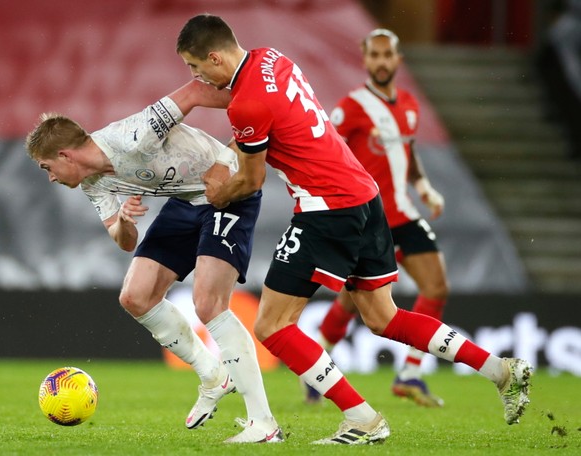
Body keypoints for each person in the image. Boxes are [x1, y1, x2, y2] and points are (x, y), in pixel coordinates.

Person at [176, 14, 532, 445]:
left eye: (196, 68)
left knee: (272, 326)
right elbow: (267, 119)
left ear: (214, 57)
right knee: (384, 318)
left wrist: (219, 193)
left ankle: (362, 419)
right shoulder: (273, 59)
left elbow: (250, 180)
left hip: (326, 208)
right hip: (365, 195)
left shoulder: (245, 104)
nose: (198, 78)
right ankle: (502, 371)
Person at [24, 79, 283, 444]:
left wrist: (257, 109)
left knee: (208, 303)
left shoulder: (133, 135)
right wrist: (126, 223)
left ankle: (264, 424)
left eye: (47, 166)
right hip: (184, 203)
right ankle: (213, 375)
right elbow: (124, 241)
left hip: (227, 193)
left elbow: (195, 91)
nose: (50, 177)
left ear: (66, 155)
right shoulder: (92, 182)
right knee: (136, 296)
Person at [303, 28, 448, 408]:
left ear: (398, 59)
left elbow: (408, 155)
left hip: (404, 213)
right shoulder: (351, 107)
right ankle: (319, 358)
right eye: (375, 55)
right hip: (367, 219)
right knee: (354, 304)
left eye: (388, 55)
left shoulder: (411, 106)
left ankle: (410, 373)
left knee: (436, 286)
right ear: (365, 60)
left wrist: (425, 187)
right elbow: (326, 151)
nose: (382, 62)